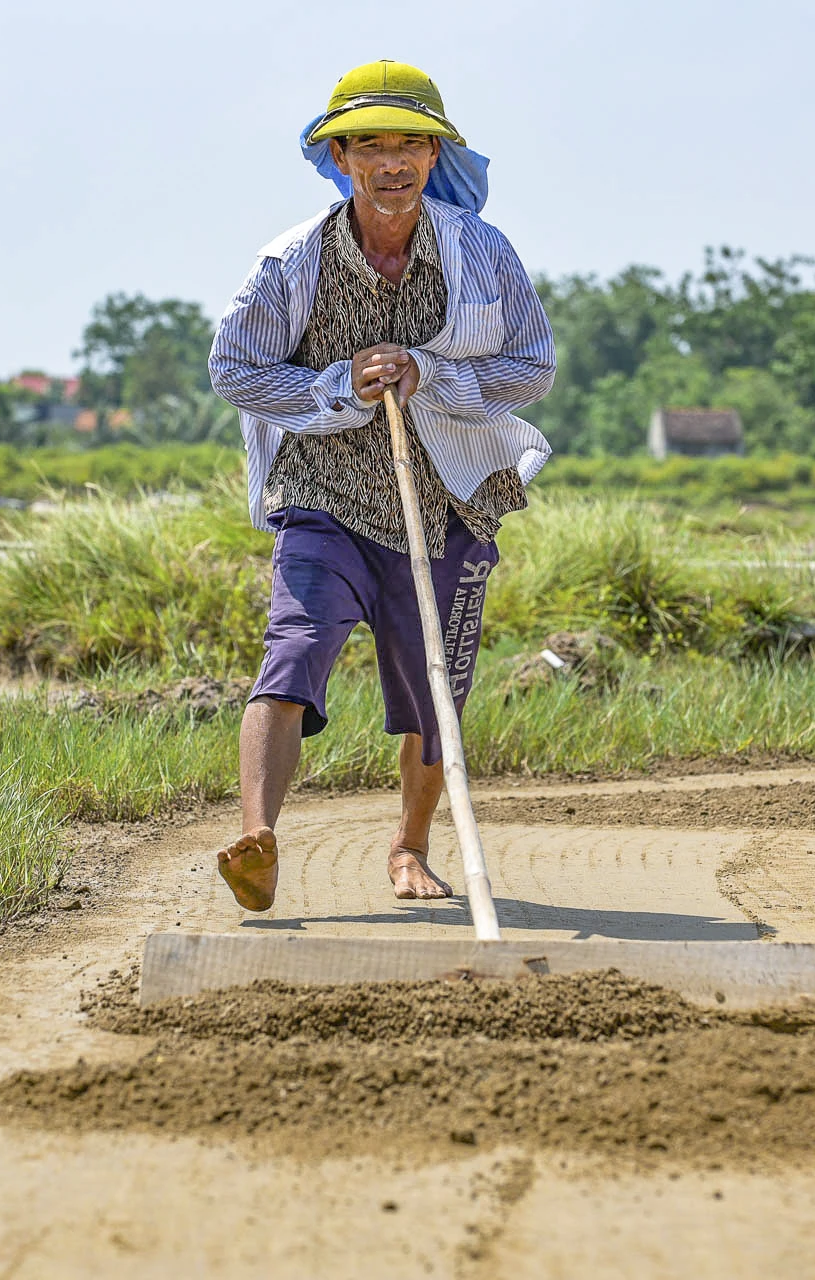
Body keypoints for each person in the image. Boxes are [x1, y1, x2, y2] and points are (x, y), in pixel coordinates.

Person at [207, 60, 555, 912]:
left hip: (452, 502)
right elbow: (233, 369)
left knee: (435, 689)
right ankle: (258, 837)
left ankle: (410, 849)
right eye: (369, 145)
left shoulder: (481, 251)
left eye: (409, 144)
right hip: (325, 494)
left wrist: (430, 373)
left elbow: (532, 368)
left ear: (436, 156)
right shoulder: (292, 261)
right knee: (292, 654)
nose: (390, 162)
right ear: (339, 158)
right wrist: (333, 387)